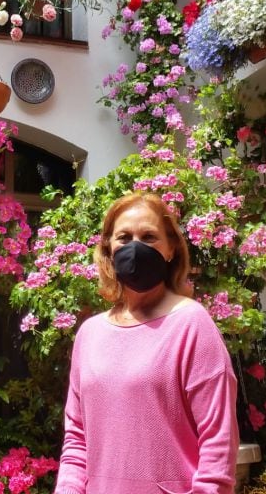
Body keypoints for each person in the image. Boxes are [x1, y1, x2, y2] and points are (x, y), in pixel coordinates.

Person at [54, 192, 239, 494]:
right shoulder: (90, 335)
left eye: (149, 237)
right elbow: (77, 440)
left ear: (170, 250)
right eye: (124, 237)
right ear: (108, 250)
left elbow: (218, 443)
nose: (135, 247)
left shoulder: (191, 325)